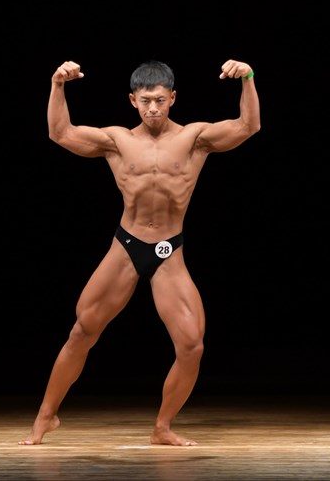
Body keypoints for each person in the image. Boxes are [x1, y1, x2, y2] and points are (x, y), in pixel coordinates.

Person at [19, 58, 261, 446]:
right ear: (133, 100)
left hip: (169, 249)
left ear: (173, 98)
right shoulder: (118, 140)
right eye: (145, 101)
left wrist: (247, 77)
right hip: (127, 245)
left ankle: (162, 427)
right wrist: (57, 85)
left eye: (160, 100)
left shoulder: (194, 138)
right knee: (82, 331)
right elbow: (60, 132)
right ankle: (45, 418)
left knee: (192, 345)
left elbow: (248, 126)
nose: (153, 108)